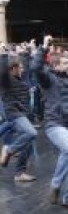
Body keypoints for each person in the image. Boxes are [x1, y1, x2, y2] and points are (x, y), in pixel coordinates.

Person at [32, 34, 68, 209]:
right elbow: (36, 68)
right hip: (56, 124)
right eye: (64, 63)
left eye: (67, 62)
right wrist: (44, 47)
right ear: (55, 65)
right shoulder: (48, 79)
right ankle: (56, 185)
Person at [0, 41, 38, 182]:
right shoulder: (6, 80)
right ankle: (8, 150)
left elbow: (28, 66)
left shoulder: (21, 80)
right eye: (19, 67)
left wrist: (27, 52)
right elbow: (3, 70)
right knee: (31, 133)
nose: (22, 69)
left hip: (22, 114)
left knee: (28, 141)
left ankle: (19, 173)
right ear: (13, 69)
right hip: (13, 113)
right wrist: (3, 55)